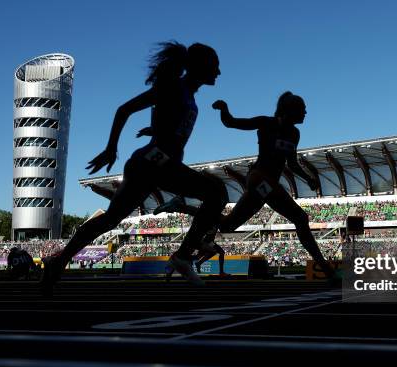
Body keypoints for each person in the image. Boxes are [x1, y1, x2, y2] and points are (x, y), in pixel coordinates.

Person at [41, 41, 228, 296]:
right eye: (215, 66)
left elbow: (170, 126)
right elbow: (124, 109)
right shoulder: (174, 86)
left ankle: (58, 261)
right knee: (216, 192)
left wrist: (156, 130)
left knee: (110, 220)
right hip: (153, 163)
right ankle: (183, 256)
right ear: (200, 66)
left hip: (154, 164)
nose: (218, 72)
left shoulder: (188, 96)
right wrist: (111, 148)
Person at [212, 92, 335, 278]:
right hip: (258, 178)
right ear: (290, 110)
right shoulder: (266, 123)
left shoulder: (294, 133)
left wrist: (308, 178)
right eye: (302, 109)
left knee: (227, 226)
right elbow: (232, 122)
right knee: (300, 218)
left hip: (266, 186)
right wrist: (223, 109)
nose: (306, 113)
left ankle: (182, 207)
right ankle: (325, 268)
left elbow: (292, 163)